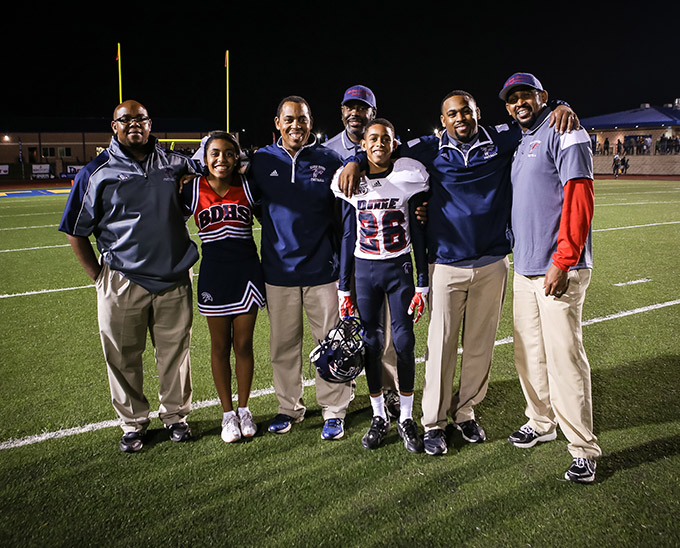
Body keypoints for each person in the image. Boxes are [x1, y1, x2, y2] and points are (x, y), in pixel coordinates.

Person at [338, 89, 579, 456]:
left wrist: (561, 103)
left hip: (492, 261)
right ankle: (433, 421)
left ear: (477, 112)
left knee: (480, 348)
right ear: (443, 120)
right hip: (446, 263)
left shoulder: (501, 138)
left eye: (466, 111)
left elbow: (535, 123)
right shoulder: (427, 149)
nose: (460, 119)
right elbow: (382, 148)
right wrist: (355, 160)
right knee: (441, 346)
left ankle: (464, 412)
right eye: (452, 114)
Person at [58, 100, 199, 453]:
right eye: (126, 119)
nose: (134, 124)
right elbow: (75, 229)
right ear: (114, 126)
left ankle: (176, 417)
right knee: (122, 356)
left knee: (175, 355)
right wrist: (97, 275)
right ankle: (133, 423)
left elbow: (216, 169)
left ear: (151, 124)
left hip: (173, 277)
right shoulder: (96, 171)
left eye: (141, 119)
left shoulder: (175, 163)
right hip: (122, 279)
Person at [500, 72, 601, 484]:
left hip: (558, 267)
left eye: (526, 95)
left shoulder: (565, 128)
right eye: (512, 99)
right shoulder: (523, 139)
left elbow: (579, 194)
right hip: (525, 268)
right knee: (530, 354)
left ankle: (583, 447)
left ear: (542, 96)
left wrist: (564, 259)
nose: (519, 103)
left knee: (565, 359)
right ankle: (541, 422)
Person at [248, 96, 352, 440]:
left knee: (331, 344)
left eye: (303, 120)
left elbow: (344, 213)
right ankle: (288, 406)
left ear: (311, 122)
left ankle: (334, 409)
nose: (297, 126)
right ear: (277, 122)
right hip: (279, 273)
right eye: (289, 119)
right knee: (283, 346)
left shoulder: (329, 159)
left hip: (323, 270)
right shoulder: (262, 161)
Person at [331, 118, 429, 453]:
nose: (378, 144)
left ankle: (405, 416)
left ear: (394, 142)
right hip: (365, 271)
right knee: (371, 343)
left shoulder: (407, 175)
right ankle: (378, 416)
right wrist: (344, 289)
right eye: (372, 139)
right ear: (362, 144)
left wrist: (422, 284)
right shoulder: (350, 180)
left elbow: (418, 232)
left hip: (399, 268)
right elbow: (347, 235)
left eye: (385, 138)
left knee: (403, 342)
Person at [180, 131, 265, 443]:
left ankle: (244, 409)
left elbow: (270, 218)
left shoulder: (247, 185)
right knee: (219, 346)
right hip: (214, 273)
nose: (222, 159)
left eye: (229, 153)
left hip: (246, 272)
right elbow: (170, 220)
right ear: (205, 158)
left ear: (237, 157)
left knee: (243, 345)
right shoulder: (192, 189)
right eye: (215, 153)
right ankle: (227, 414)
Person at [324, 84, 401, 422]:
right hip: (341, 248)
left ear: (372, 112)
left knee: (381, 329)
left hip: (380, 252)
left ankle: (389, 390)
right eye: (349, 107)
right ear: (342, 111)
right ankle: (343, 397)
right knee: (348, 327)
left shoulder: (388, 145)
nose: (354, 113)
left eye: (361, 108)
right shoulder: (327, 151)